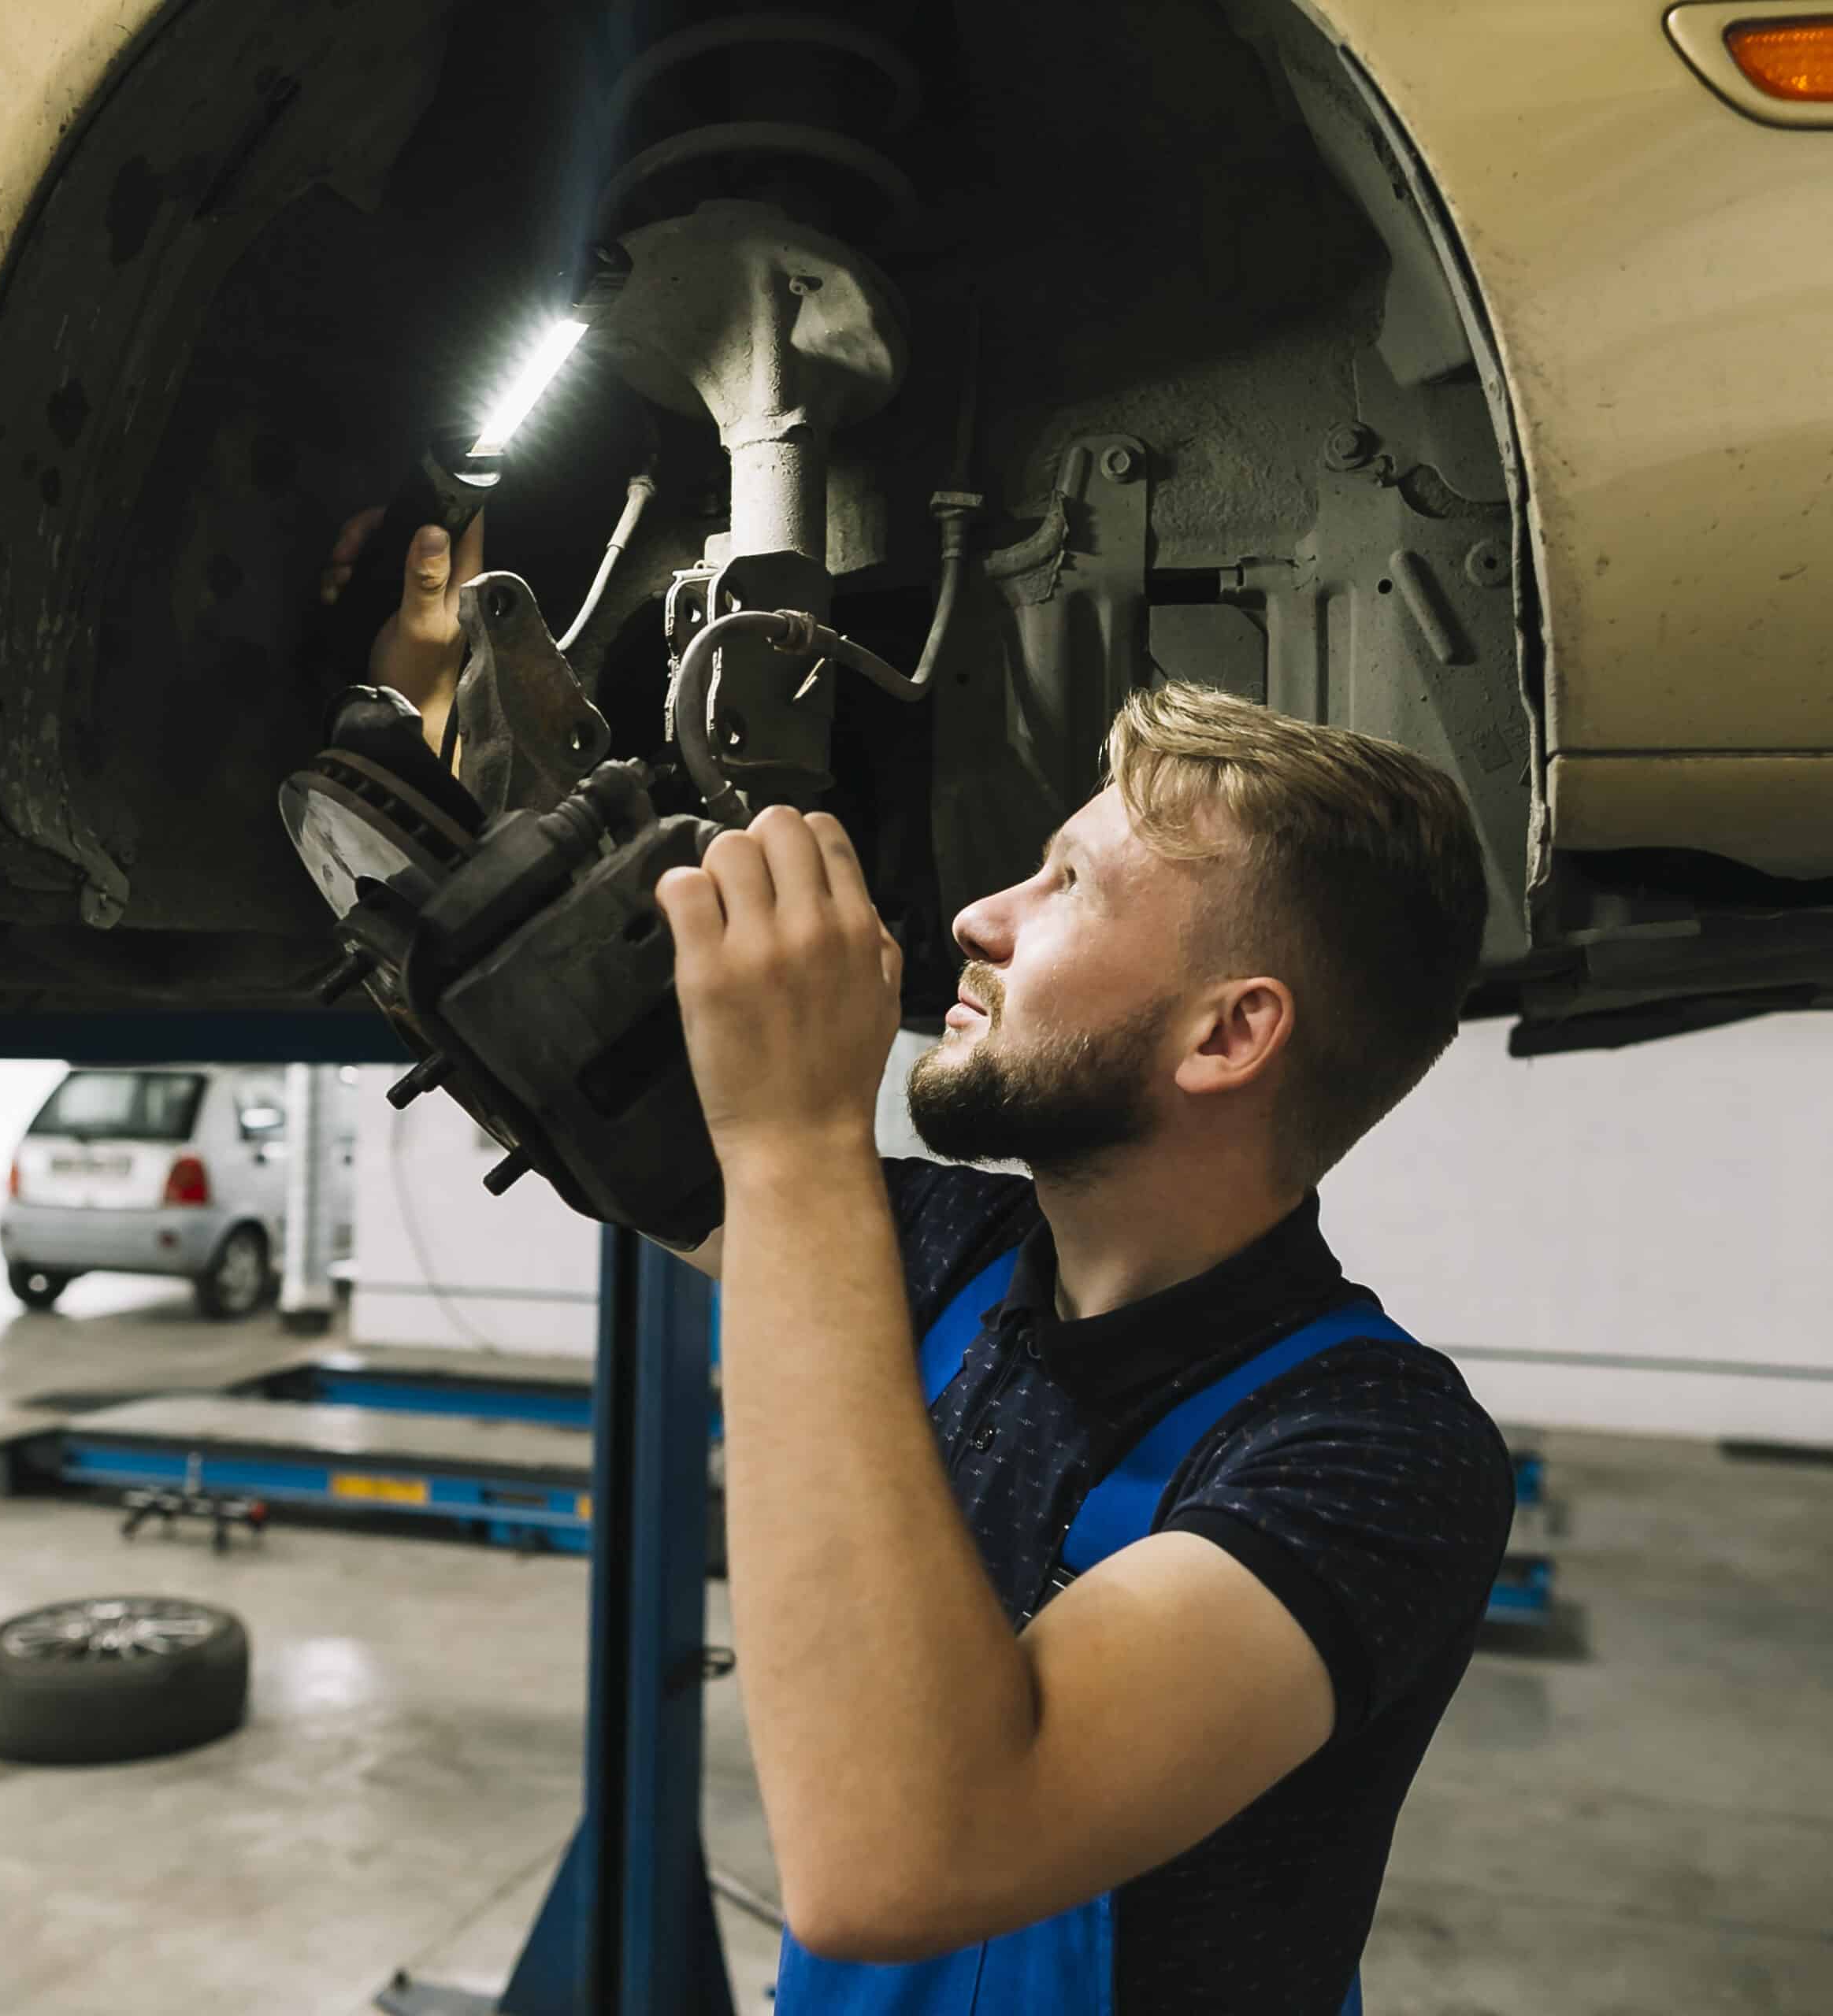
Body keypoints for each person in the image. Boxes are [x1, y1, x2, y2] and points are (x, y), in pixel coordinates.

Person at [337, 511, 1516, 2014]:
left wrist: (793, 1137)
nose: (976, 917)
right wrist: (449, 761)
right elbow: (599, 1103)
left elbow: (902, 1857)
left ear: (1233, 1033)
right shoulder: (948, 1254)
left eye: (1068, 887)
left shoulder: (1376, 1458)